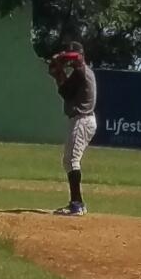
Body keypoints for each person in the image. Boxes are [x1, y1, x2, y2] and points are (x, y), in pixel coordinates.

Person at [46, 41, 97, 216]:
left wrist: (59, 57)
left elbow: (77, 57)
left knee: (72, 160)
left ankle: (77, 205)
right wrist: (58, 74)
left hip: (83, 120)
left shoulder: (83, 70)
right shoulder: (77, 74)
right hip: (79, 120)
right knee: (68, 161)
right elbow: (67, 93)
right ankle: (76, 202)